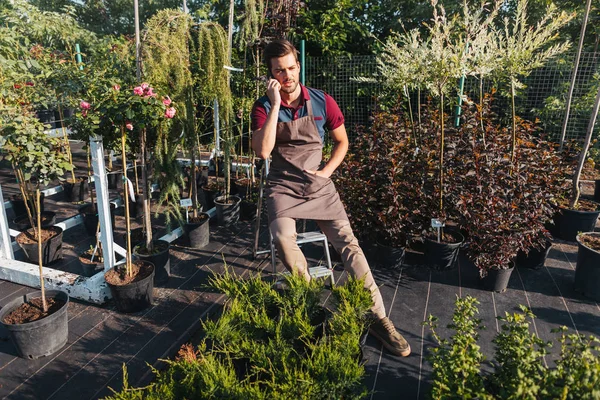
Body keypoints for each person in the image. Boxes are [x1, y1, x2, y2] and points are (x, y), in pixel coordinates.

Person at [250, 39, 411, 357]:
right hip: (282, 186)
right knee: (282, 237)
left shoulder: (323, 102)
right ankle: (313, 299)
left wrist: (327, 172)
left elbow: (342, 142)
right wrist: (275, 104)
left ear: (299, 65)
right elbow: (263, 151)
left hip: (319, 185)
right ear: (270, 74)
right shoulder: (263, 107)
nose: (287, 75)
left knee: (348, 244)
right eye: (279, 71)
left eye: (292, 67)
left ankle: (379, 318)